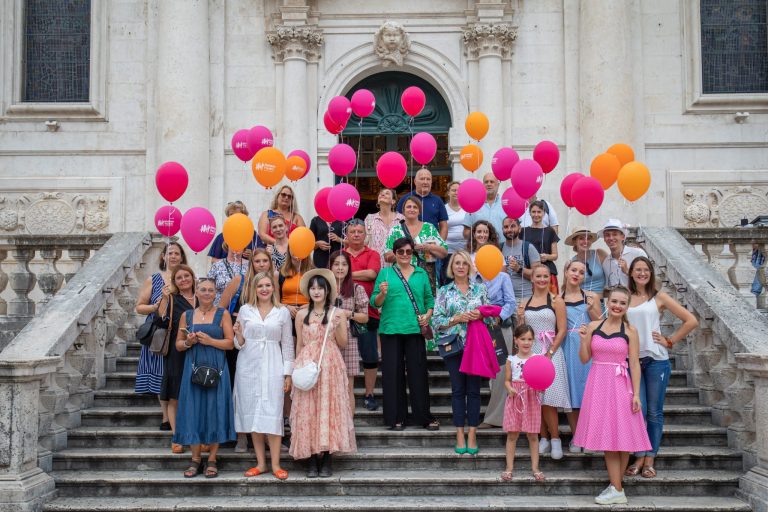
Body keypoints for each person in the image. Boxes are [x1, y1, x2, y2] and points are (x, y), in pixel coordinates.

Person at [573, 286, 651, 505]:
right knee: (608, 437)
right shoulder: (593, 326)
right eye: (614, 301)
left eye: (622, 303)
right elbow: (584, 358)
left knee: (623, 436)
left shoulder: (631, 331)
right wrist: (582, 339)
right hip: (598, 384)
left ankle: (616, 488)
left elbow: (634, 364)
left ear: (627, 306)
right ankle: (616, 488)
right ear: (607, 302)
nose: (617, 306)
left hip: (621, 384)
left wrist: (636, 394)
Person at [624, 257, 698, 479]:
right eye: (638, 270)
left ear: (651, 273)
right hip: (632, 360)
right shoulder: (625, 298)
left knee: (654, 412)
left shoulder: (659, 297)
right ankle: (638, 455)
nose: (642, 273)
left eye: (646, 270)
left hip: (656, 360)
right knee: (639, 411)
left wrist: (670, 340)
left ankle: (648, 459)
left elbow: (691, 320)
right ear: (631, 273)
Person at [290, 269, 356, 478]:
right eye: (313, 287)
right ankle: (311, 458)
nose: (316, 291)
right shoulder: (301, 314)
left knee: (328, 409)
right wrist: (296, 369)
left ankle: (326, 457)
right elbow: (300, 344)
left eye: (320, 287)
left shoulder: (337, 313)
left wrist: (336, 326)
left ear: (327, 290)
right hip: (307, 363)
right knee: (308, 410)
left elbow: (343, 343)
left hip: (330, 363)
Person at [372, 237, 439, 431]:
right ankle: (396, 417)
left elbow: (429, 300)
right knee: (392, 375)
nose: (404, 255)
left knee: (418, 374)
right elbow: (374, 303)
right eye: (400, 252)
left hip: (414, 329)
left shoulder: (421, 273)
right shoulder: (385, 273)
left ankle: (423, 417)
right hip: (390, 329)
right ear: (394, 254)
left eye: (408, 252)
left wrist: (427, 315)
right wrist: (382, 294)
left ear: (413, 253)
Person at [232, 272, 294, 480]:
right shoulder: (245, 310)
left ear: (273, 288)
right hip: (248, 365)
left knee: (273, 412)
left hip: (273, 364)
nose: (264, 289)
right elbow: (238, 343)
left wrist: (288, 374)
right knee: (253, 414)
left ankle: (276, 464)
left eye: (268, 285)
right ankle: (260, 463)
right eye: (260, 286)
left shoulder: (282, 311)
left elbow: (287, 344)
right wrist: (238, 335)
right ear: (254, 289)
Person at [174, 277, 236, 479]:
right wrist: (189, 343)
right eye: (203, 289)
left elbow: (230, 344)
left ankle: (212, 459)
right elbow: (178, 345)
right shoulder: (187, 315)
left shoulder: (222, 314)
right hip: (193, 369)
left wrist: (210, 341)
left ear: (215, 293)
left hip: (217, 368)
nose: (207, 293)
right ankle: (195, 459)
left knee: (215, 410)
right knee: (193, 410)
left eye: (211, 290)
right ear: (197, 292)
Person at [218, 247, 277, 453]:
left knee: (265, 390)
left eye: (264, 261)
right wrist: (233, 326)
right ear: (251, 263)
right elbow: (222, 308)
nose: (261, 264)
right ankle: (241, 435)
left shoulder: (273, 282)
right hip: (240, 338)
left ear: (270, 262)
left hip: (264, 341)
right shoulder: (239, 280)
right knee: (241, 390)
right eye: (257, 261)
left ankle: (266, 435)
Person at [431, 250, 488, 454]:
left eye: (464, 263)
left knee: (474, 391)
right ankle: (459, 433)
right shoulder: (444, 291)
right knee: (457, 391)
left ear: (469, 267)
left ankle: (472, 433)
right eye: (457, 263)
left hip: (476, 347)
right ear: (451, 267)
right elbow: (435, 321)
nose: (461, 266)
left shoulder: (480, 289)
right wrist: (456, 319)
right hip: (454, 346)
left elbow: (490, 318)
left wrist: (480, 316)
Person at [516, 265, 569, 460]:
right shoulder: (524, 302)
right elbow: (520, 331)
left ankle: (555, 439)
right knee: (534, 399)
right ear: (532, 278)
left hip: (551, 352)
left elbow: (562, 329)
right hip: (531, 352)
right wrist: (520, 317)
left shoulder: (557, 301)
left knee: (549, 400)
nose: (542, 279)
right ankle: (543, 438)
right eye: (538, 276)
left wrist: (550, 352)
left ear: (550, 278)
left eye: (545, 276)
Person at [135, 242, 188, 430]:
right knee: (160, 372)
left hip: (178, 332)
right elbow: (140, 306)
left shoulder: (184, 278)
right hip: (158, 332)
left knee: (173, 374)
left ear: (182, 257)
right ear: (163, 257)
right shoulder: (154, 279)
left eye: (177, 253)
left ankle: (176, 415)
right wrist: (155, 306)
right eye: (169, 253)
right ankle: (165, 416)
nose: (173, 256)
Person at [154, 264, 197, 454]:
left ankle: (196, 436)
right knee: (175, 396)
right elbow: (159, 320)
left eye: (186, 275)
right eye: (179, 277)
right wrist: (163, 299)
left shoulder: (203, 296)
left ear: (193, 277)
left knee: (197, 395)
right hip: (177, 351)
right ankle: (177, 436)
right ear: (175, 282)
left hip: (200, 350)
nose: (184, 280)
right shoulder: (172, 299)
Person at [560, 260, 602, 451]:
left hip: (588, 345)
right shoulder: (557, 298)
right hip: (568, 345)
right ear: (566, 272)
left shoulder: (592, 296)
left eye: (581, 272)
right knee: (572, 391)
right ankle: (577, 436)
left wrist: (592, 308)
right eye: (574, 270)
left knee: (590, 393)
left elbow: (600, 324)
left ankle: (591, 437)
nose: (577, 274)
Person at [344, 219, 382, 411]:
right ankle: (342, 394)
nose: (357, 235)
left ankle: (369, 394)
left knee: (369, 355)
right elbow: (333, 275)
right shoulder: (340, 254)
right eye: (353, 232)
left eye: (360, 231)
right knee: (342, 355)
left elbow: (372, 274)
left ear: (364, 235)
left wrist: (346, 274)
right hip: (343, 312)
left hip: (368, 312)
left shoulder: (373, 254)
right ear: (347, 235)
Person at [501, 324, 545, 483]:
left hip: (532, 398)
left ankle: (535, 468)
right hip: (515, 398)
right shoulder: (511, 360)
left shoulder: (537, 358)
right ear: (516, 340)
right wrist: (510, 388)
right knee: (512, 434)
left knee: (533, 435)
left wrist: (540, 388)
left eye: (530, 339)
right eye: (523, 339)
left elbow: (542, 380)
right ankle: (509, 468)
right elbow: (506, 380)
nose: (526, 342)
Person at [330, 250, 369, 415]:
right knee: (329, 385)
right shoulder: (324, 287)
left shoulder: (356, 288)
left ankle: (348, 426)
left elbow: (365, 317)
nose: (340, 268)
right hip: (327, 340)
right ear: (330, 266)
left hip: (349, 340)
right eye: (336, 264)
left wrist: (348, 314)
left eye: (344, 264)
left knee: (347, 386)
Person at [385, 196, 448, 295]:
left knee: (426, 306)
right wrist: (404, 251)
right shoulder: (395, 230)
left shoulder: (429, 228)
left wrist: (428, 247)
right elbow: (387, 256)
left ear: (419, 211)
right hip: (401, 277)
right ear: (403, 211)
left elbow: (444, 252)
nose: (412, 209)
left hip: (426, 276)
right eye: (408, 207)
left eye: (415, 207)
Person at [396, 167, 449, 240]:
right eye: (422, 179)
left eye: (428, 179)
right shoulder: (405, 199)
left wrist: (440, 244)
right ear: (415, 181)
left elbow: (443, 225)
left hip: (432, 244)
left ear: (431, 182)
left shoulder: (438, 200)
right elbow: (397, 222)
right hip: (408, 244)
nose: (425, 182)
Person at [522, 200, 560, 294]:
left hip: (548, 272)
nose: (536, 214)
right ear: (529, 213)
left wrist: (546, 256)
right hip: (529, 273)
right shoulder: (523, 231)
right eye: (533, 212)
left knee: (552, 303)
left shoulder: (550, 231)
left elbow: (555, 255)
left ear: (543, 213)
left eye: (539, 212)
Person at [599, 219, 647, 287]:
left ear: (623, 237)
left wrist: (627, 271)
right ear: (604, 238)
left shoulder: (638, 254)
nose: (611, 238)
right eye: (607, 235)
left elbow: (648, 278)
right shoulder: (606, 262)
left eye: (615, 234)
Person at [501, 217, 541, 300]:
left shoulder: (528, 247)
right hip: (504, 299)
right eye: (506, 227)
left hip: (524, 298)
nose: (509, 229)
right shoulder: (498, 249)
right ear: (502, 229)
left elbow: (537, 275)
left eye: (512, 226)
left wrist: (519, 269)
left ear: (519, 229)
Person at [365, 187, 404, 266]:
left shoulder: (402, 219)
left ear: (393, 201)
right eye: (381, 193)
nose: (382, 194)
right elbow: (365, 242)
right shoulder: (369, 218)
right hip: (374, 265)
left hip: (397, 266)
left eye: (387, 193)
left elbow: (406, 243)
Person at [462, 173, 506, 240]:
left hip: (502, 248)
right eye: (486, 182)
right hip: (480, 248)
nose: (489, 184)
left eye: (492, 182)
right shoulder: (474, 205)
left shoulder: (506, 204)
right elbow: (466, 232)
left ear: (498, 184)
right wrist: (478, 238)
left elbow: (515, 227)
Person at [565, 226, 607, 294]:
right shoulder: (571, 263)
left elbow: (612, 275)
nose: (585, 241)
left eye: (588, 238)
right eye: (581, 238)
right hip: (581, 302)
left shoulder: (599, 254)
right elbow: (568, 288)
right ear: (575, 241)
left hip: (600, 301)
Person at [278, 248, 313, 326]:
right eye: (293, 246)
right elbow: (275, 300)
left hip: (308, 312)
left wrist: (311, 306)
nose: (296, 249)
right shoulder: (282, 272)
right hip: (285, 312)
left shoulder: (313, 272)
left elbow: (321, 298)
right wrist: (287, 307)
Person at [443, 181, 466, 283]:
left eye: (459, 190)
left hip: (465, 250)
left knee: (465, 277)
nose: (456, 192)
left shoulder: (468, 207)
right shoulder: (443, 209)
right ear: (448, 193)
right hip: (448, 251)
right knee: (449, 278)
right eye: (453, 190)